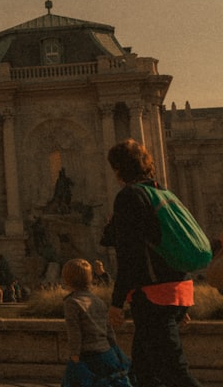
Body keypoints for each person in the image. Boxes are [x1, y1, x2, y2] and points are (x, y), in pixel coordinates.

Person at [100, 139, 203, 387]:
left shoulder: (129, 196)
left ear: (119, 169)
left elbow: (129, 256)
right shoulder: (161, 193)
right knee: (144, 375)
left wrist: (116, 303)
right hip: (176, 290)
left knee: (175, 373)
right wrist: (181, 306)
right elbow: (174, 246)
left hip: (153, 297)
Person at [60, 258, 132, 387]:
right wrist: (114, 349)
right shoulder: (98, 301)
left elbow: (74, 332)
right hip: (106, 353)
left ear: (67, 280)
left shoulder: (72, 302)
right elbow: (108, 329)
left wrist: (74, 356)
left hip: (87, 356)